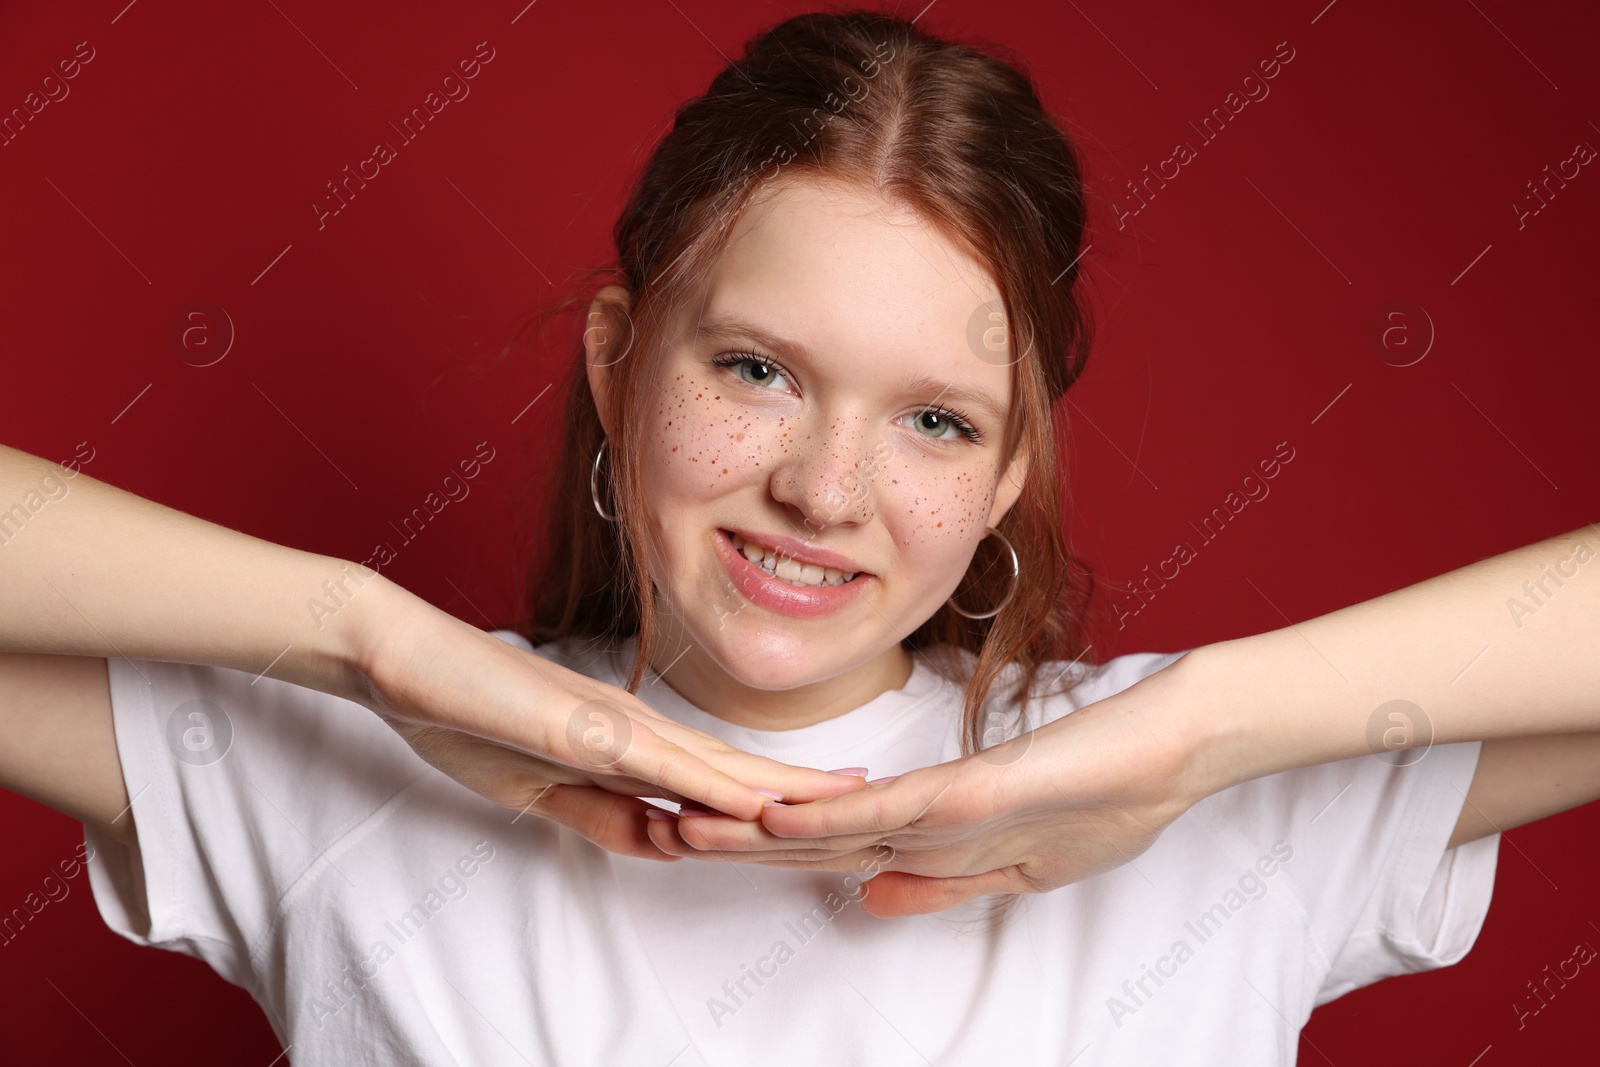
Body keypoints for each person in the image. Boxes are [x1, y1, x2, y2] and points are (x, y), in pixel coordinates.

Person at [1, 9, 1596, 1065]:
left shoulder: (1214, 805)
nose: (826, 491)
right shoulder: (342, 763)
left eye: (937, 421)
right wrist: (364, 636)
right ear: (621, 359)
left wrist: (1195, 734)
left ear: (1009, 469)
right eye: (757, 371)